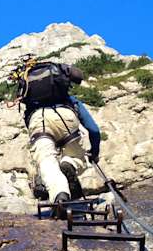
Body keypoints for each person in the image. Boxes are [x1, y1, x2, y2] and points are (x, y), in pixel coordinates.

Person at [11, 59, 101, 211]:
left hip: (38, 118)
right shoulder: (72, 101)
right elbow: (93, 130)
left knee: (47, 160)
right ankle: (69, 163)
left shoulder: (30, 97)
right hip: (66, 116)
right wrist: (95, 152)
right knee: (75, 155)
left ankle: (60, 195)